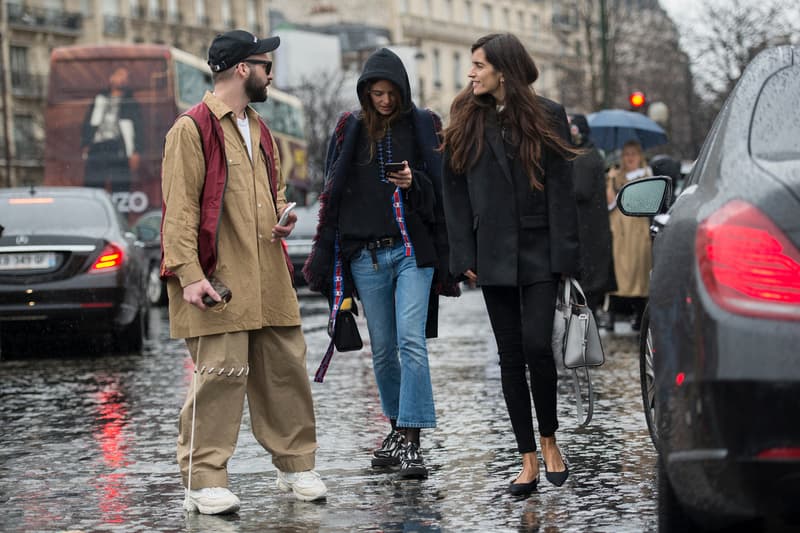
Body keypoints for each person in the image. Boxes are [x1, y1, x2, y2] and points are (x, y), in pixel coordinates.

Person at [161, 29, 327, 515]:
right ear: (242, 69)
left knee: (285, 373)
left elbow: (273, 193)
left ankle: (296, 466)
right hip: (219, 280)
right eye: (265, 66)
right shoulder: (190, 129)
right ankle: (202, 480)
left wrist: (282, 214)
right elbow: (179, 211)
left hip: (269, 278)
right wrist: (190, 276)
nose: (271, 74)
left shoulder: (261, 129)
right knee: (220, 376)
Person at [303, 48, 456, 479]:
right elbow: (333, 195)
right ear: (365, 93)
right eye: (377, 93)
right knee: (384, 351)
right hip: (366, 258)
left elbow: (442, 193)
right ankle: (395, 429)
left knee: (411, 341)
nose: (385, 101)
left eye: (391, 93)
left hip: (411, 252)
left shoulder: (423, 125)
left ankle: (412, 440)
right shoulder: (349, 130)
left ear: (402, 90)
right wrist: (336, 261)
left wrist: (413, 182)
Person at [441, 33, 580, 496]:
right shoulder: (465, 116)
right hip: (492, 252)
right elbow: (454, 192)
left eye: (479, 65)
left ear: (504, 70)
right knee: (510, 355)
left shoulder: (548, 115)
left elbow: (561, 189)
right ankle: (527, 458)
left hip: (540, 249)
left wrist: (565, 257)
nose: (471, 73)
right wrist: (463, 255)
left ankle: (550, 439)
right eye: (471, 64)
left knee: (538, 345)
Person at [568, 114, 616, 318]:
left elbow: (581, 190)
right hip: (592, 235)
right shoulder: (590, 154)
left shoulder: (585, 157)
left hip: (587, 235)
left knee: (586, 297)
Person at [605, 139, 653, 331]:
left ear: (640, 156)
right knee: (617, 273)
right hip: (619, 232)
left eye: (633, 154)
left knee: (639, 273)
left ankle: (639, 315)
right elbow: (609, 203)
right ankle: (611, 315)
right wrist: (611, 181)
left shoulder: (646, 176)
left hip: (638, 231)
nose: (630, 158)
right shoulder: (616, 176)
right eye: (626, 154)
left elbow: (645, 202)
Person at [81, 66, 142, 192]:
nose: (122, 79)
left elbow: (138, 128)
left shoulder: (131, 103)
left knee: (120, 187)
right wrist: (86, 143)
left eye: (126, 77)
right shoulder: (100, 99)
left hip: (118, 148)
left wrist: (135, 151)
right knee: (94, 185)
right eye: (119, 75)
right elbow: (88, 122)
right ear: (111, 78)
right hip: (97, 148)